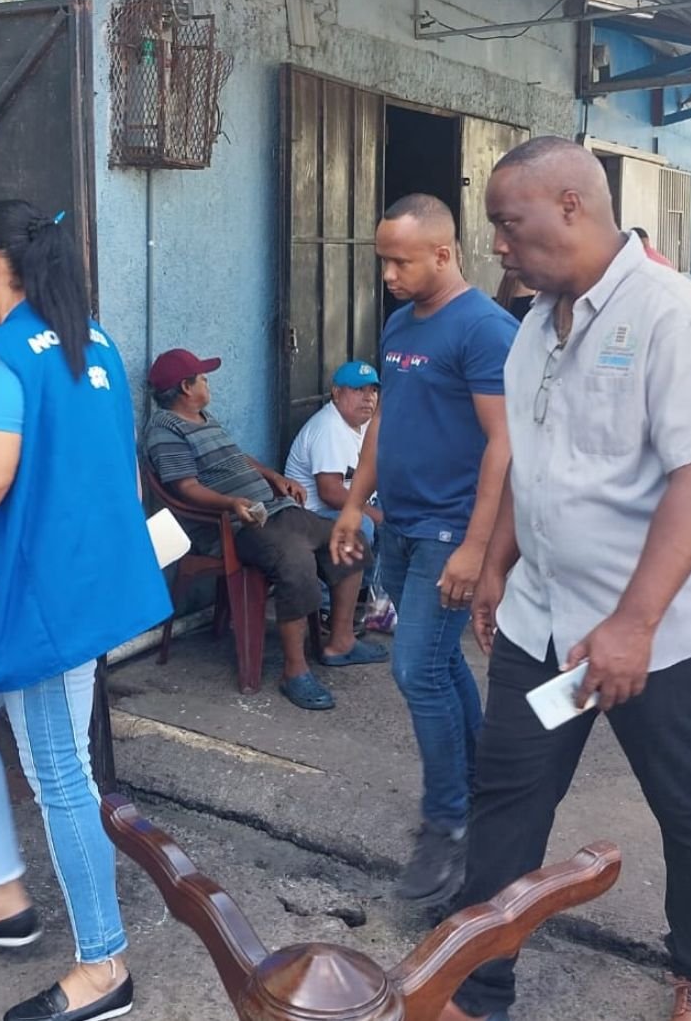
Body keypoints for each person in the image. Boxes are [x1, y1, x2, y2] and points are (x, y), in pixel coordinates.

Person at [444, 138, 691, 1021]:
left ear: (571, 206)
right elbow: (531, 459)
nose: (497, 243)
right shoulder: (532, 327)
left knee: (689, 807)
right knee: (507, 796)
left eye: (508, 222)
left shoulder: (675, 315)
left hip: (658, 636)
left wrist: (634, 624)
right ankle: (477, 987)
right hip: (544, 624)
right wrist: (497, 563)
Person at [0, 201, 171, 1021]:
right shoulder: (94, 341)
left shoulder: (4, 355)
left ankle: (104, 965)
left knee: (60, 772)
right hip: (69, 583)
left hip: (39, 602)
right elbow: (119, 466)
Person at [331, 195, 515, 909]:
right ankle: (482, 787)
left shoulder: (485, 329)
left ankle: (448, 820)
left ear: (443, 253)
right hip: (402, 521)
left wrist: (477, 546)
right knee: (437, 663)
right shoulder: (401, 324)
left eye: (400, 261)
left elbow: (503, 444)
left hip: (448, 529)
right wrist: (355, 502)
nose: (388, 274)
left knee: (415, 669)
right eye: (383, 260)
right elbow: (386, 420)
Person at [144, 350, 385, 712]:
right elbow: (185, 487)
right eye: (203, 378)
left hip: (272, 511)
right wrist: (232, 503)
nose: (208, 383)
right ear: (185, 387)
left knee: (351, 539)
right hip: (235, 527)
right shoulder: (166, 430)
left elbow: (238, 458)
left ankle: (341, 642)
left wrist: (274, 477)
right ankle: (294, 670)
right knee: (296, 561)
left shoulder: (204, 419)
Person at [284, 360, 382, 621]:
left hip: (348, 503)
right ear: (337, 393)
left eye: (373, 390)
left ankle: (368, 596)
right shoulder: (329, 426)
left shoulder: (366, 424)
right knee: (365, 524)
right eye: (358, 390)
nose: (368, 397)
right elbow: (330, 492)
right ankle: (328, 607)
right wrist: (376, 514)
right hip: (312, 513)